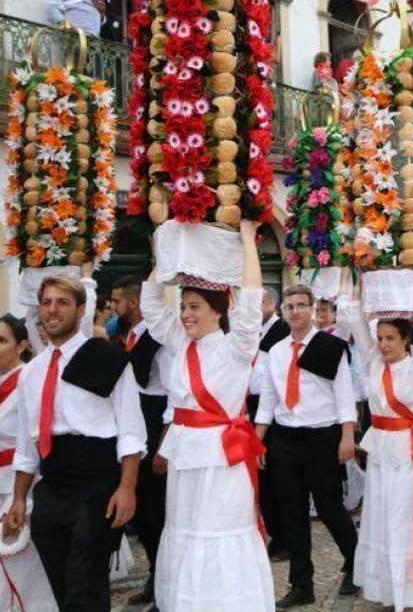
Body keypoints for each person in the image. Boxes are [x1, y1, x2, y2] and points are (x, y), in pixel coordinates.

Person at [141, 221, 273, 611]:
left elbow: (251, 299)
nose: (185, 315)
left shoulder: (236, 347)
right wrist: (167, 257)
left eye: (195, 307)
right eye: (183, 306)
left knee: (218, 533)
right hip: (186, 455)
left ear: (219, 311)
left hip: (222, 457)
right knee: (184, 531)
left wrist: (248, 240)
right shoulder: (180, 342)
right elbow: (151, 304)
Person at [5, 276, 146, 610]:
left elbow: (130, 430)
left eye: (63, 302)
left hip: (95, 483)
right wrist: (19, 499)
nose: (53, 310)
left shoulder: (107, 358)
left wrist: (127, 488)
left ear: (81, 310)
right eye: (47, 302)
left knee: (85, 587)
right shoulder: (31, 372)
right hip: (51, 485)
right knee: (62, 586)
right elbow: (27, 442)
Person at [255, 284, 359, 609]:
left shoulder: (331, 347)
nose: (296, 311)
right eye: (290, 306)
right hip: (285, 438)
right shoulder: (276, 351)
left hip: (322, 437)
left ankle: (356, 564)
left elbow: (344, 395)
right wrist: (257, 441)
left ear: (313, 309)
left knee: (330, 508)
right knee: (292, 514)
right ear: (284, 311)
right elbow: (268, 399)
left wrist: (347, 435)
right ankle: (301, 584)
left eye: (301, 305)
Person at [343, 273, 413, 611]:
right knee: (381, 518)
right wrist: (354, 275)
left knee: (404, 519)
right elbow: (355, 318)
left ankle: (410, 591)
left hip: (409, 451)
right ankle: (386, 589)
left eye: (390, 338)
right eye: (380, 338)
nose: (383, 344)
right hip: (381, 450)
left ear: (404, 339)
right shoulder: (373, 364)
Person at [0, 314, 56, 612]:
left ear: (21, 346)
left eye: (2, 341)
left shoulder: (28, 378)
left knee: (17, 556)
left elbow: (28, 439)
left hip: (22, 484)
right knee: (2, 552)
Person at [111, 274, 173, 608]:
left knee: (154, 510)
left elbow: (171, 392)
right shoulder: (129, 336)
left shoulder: (158, 339)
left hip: (153, 420)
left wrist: (163, 444)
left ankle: (164, 581)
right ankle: (156, 573)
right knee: (143, 513)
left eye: (117, 301)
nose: (113, 307)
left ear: (133, 303)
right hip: (133, 419)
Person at [249, 286, 291, 561]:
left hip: (274, 411)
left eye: (258, 303)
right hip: (253, 408)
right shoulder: (255, 333)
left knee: (276, 479)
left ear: (269, 304)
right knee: (262, 479)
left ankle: (285, 536)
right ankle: (274, 532)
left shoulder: (281, 332)